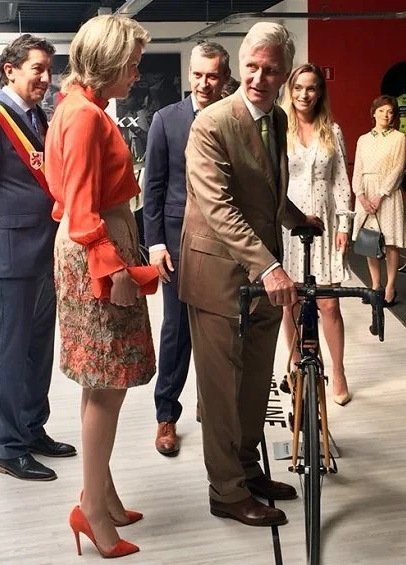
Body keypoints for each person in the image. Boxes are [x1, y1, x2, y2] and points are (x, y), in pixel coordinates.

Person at [179, 22, 324, 527]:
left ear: (285, 74)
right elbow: (218, 207)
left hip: (262, 275)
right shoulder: (211, 123)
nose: (260, 78)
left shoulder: (279, 120)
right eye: (252, 68)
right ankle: (226, 492)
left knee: (255, 384)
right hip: (219, 274)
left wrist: (296, 218)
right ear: (241, 65)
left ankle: (246, 469)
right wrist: (271, 266)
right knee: (220, 390)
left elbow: (262, 190)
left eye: (271, 70)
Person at [45, 14, 158, 558]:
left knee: (101, 382)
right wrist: (112, 270)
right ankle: (91, 509)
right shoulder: (86, 115)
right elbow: (85, 211)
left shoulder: (74, 107)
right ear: (110, 60)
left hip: (91, 243)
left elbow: (63, 197)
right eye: (132, 64)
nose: (136, 73)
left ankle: (102, 492)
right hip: (98, 249)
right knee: (108, 385)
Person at [0, 34, 76, 482]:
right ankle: (9, 447)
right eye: (36, 69)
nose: (45, 77)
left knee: (37, 350)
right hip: (7, 257)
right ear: (11, 70)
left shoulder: (36, 115)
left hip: (41, 253)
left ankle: (31, 428)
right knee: (9, 351)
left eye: (48, 69)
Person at [143, 41, 230, 457]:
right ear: (189, 74)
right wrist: (155, 243)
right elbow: (154, 188)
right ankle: (166, 415)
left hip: (223, 241)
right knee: (176, 330)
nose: (204, 83)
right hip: (176, 241)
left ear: (224, 77)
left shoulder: (234, 118)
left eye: (212, 75)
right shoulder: (166, 120)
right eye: (197, 74)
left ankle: (209, 403)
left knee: (217, 328)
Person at [279, 64, 353, 406]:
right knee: (290, 302)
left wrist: (344, 225)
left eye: (311, 88)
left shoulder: (332, 130)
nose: (304, 95)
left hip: (323, 222)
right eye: (298, 88)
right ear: (290, 91)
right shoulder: (280, 128)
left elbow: (340, 181)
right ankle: (296, 367)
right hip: (288, 222)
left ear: (320, 91)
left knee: (328, 304)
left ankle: (337, 370)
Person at [352, 95, 406, 307]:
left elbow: (398, 168)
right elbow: (357, 170)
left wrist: (380, 193)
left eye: (390, 111)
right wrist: (362, 196)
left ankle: (390, 287)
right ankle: (375, 286)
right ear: (374, 112)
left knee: (391, 242)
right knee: (369, 240)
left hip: (388, 194)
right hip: (366, 191)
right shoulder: (363, 139)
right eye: (382, 110)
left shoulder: (399, 138)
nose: (386, 114)